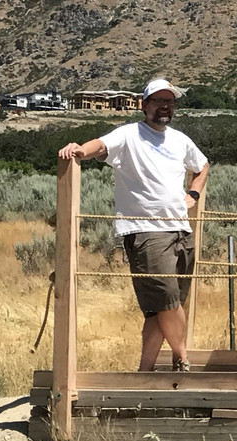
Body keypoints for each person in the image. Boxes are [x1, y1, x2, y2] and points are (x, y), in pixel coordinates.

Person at [57, 78, 208, 372]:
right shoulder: (129, 134)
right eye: (158, 101)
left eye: (169, 102)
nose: (165, 106)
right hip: (146, 231)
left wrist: (193, 193)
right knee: (167, 301)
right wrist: (79, 150)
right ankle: (182, 361)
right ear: (144, 105)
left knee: (161, 307)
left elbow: (202, 165)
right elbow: (100, 145)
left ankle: (144, 372)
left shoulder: (180, 140)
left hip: (180, 230)